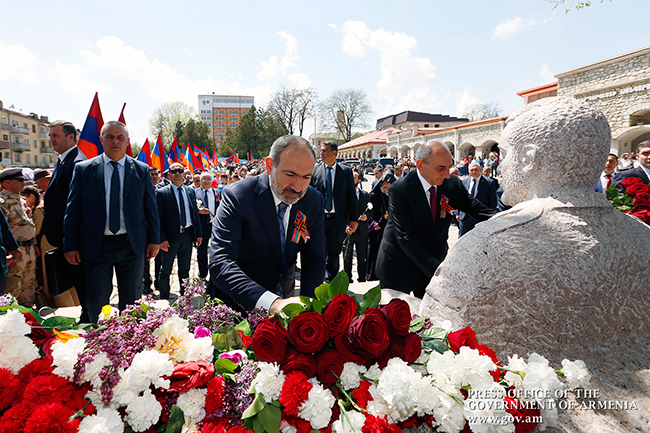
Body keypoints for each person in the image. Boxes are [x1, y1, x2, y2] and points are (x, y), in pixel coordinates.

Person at [209, 135, 325, 314]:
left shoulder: (313, 199)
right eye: (290, 174)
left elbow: (314, 259)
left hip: (286, 300)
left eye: (306, 177)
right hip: (237, 306)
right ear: (270, 166)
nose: (297, 186)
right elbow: (221, 263)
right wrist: (272, 303)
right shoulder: (238, 197)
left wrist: (310, 311)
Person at [64, 121, 160, 322]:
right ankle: (96, 344)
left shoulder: (141, 170)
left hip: (132, 246)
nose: (115, 141)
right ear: (101, 140)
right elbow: (73, 210)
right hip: (96, 247)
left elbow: (150, 209)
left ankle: (129, 346)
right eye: (110, 137)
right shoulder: (84, 169)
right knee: (96, 301)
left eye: (120, 137)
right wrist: (70, 245)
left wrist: (154, 240)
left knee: (132, 304)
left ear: (127, 141)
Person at [376, 141, 497, 298]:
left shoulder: (452, 184)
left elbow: (478, 210)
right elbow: (406, 238)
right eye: (441, 168)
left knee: (434, 320)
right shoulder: (400, 190)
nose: (447, 174)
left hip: (434, 260)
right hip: (399, 266)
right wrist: (441, 272)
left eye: (449, 167)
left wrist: (510, 219)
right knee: (395, 318)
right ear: (420, 165)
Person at [44, 120, 90, 320]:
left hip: (74, 241)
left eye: (56, 135)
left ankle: (90, 323)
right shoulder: (64, 159)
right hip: (65, 239)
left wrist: (72, 243)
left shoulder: (77, 162)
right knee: (78, 285)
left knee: (85, 285)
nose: (51, 139)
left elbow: (79, 207)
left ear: (71, 137)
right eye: (50, 135)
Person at [310, 142, 359, 282]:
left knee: (334, 252)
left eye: (324, 151)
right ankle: (319, 281)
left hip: (338, 220)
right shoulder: (315, 170)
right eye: (321, 150)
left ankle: (331, 281)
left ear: (334, 153)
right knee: (319, 251)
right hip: (319, 220)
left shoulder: (345, 171)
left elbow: (351, 197)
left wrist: (353, 219)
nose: (321, 153)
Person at [157, 163, 202, 299]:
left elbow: (195, 214)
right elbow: (158, 218)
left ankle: (185, 294)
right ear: (169, 174)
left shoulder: (190, 191)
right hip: (170, 237)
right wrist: (161, 239)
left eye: (180, 171)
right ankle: (164, 296)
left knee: (185, 268)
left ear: (184, 174)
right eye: (174, 171)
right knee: (165, 268)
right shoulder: (161, 193)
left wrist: (198, 234)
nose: (177, 173)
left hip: (187, 235)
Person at [0, 169, 38, 307]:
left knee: (29, 287)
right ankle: (12, 322)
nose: (24, 182)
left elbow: (29, 223)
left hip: (29, 249)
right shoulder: (2, 202)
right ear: (7, 183)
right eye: (19, 180)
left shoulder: (22, 200)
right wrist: (8, 251)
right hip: (15, 251)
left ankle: (29, 322)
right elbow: (3, 230)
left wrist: (34, 243)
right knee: (12, 289)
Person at [366, 171, 396, 281]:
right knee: (374, 250)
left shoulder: (394, 195)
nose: (384, 185)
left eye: (386, 183)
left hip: (389, 229)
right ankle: (372, 274)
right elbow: (368, 212)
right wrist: (373, 224)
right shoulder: (374, 196)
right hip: (376, 229)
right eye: (382, 183)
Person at [458, 162, 498, 237]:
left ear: (480, 170)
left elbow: (493, 200)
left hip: (481, 216)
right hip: (465, 216)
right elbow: (460, 198)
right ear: (469, 171)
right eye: (471, 170)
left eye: (476, 169)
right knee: (463, 239)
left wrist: (489, 215)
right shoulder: (464, 182)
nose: (474, 172)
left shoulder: (489, 183)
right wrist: (458, 213)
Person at [343, 171, 369, 283]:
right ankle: (347, 278)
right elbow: (341, 213)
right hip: (349, 230)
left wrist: (367, 216)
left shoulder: (365, 194)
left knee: (361, 255)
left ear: (358, 181)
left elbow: (372, 210)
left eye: (353, 178)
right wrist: (345, 226)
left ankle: (362, 277)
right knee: (347, 256)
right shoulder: (343, 195)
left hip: (362, 230)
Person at [194, 171, 218, 280]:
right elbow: (190, 208)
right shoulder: (194, 192)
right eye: (204, 179)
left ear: (212, 180)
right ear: (200, 180)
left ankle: (215, 274)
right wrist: (198, 211)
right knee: (202, 252)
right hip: (201, 226)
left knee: (216, 251)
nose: (206, 181)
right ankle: (202, 275)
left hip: (216, 226)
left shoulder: (218, 193)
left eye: (209, 179)